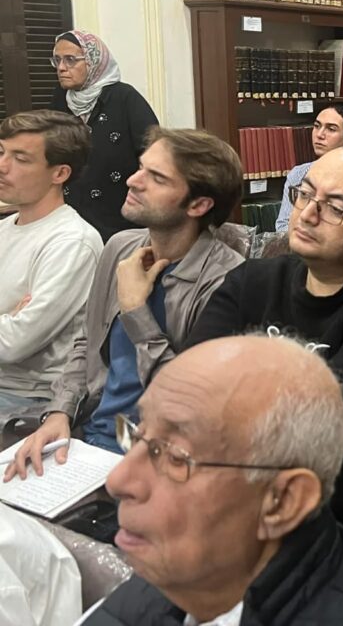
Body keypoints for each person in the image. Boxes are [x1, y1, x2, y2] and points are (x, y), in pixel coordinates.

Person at [77, 335, 343, 625]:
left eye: (174, 456)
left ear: (282, 501)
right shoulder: (180, 574)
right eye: (137, 434)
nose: (119, 480)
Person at [184, 145, 343, 557]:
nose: (306, 214)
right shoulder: (254, 279)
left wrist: (231, 397)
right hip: (243, 501)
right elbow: (187, 385)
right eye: (304, 194)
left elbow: (322, 425)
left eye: (335, 208)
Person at [4, 128, 244, 476]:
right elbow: (86, 343)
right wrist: (59, 413)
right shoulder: (120, 247)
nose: (133, 180)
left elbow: (190, 402)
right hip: (90, 438)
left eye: (156, 178)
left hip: (161, 456)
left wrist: (135, 311)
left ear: (199, 205)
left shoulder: (227, 280)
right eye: (141, 167)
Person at [0, 111, 102, 417]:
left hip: (28, 398)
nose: (2, 166)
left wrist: (12, 323)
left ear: (59, 173)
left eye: (21, 158)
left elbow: (14, 343)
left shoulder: (72, 242)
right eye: (1, 152)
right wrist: (9, 318)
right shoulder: (4, 229)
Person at [49, 30, 159, 241]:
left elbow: (154, 152)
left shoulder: (124, 98)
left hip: (120, 215)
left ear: (94, 61)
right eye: (57, 60)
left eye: (70, 60)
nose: (61, 67)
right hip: (72, 216)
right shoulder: (60, 99)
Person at [275, 105, 343, 231]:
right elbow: (282, 225)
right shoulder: (298, 174)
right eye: (317, 126)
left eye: (331, 129)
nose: (319, 135)